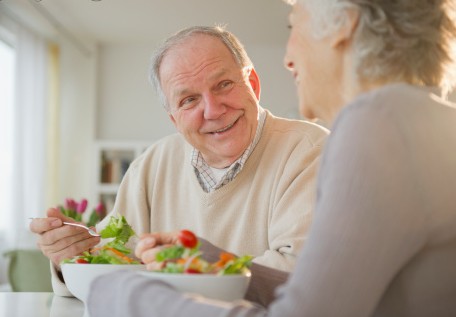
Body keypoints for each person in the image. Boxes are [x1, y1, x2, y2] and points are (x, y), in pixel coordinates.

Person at [86, 0, 456, 316]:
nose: (289, 56)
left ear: (344, 25)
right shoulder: (417, 118)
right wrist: (218, 262)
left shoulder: (378, 123)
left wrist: (123, 294)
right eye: (189, 100)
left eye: (293, 26)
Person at [29, 26, 328, 297]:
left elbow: (302, 276)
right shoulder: (152, 164)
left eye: (223, 84)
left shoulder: (311, 151)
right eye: (189, 100)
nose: (212, 110)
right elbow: (112, 261)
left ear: (252, 83)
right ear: (174, 119)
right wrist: (72, 254)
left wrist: (180, 274)